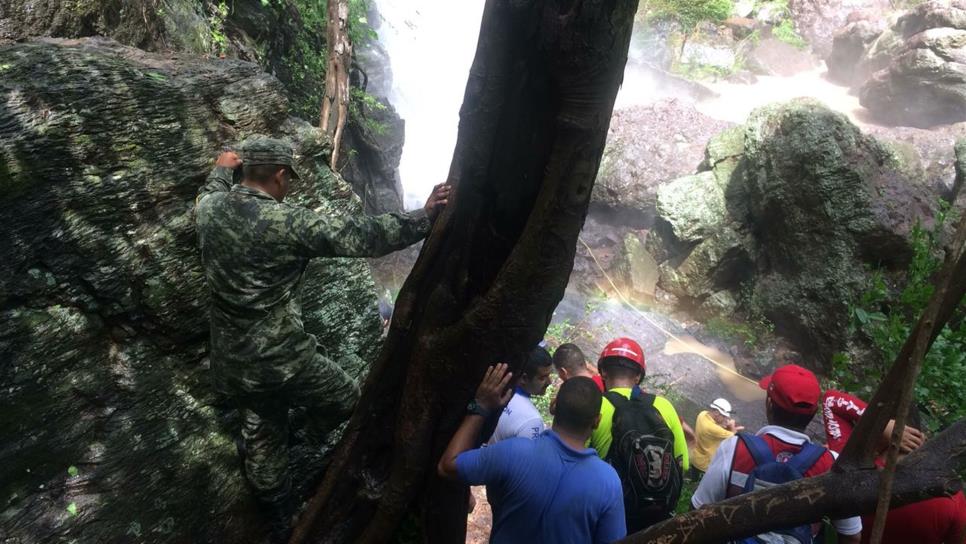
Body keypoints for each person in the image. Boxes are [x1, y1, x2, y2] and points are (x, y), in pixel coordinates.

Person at [194, 139, 450, 541]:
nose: (289, 188)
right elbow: (362, 236)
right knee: (345, 398)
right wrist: (425, 217)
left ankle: (281, 524)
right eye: (288, 180)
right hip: (282, 357)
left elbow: (210, 190)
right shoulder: (286, 223)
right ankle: (300, 438)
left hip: (233, 361)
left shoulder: (209, 211)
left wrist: (221, 169)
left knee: (261, 440)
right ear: (279, 176)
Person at [437, 365, 626, 543]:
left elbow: (447, 466)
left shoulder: (513, 452)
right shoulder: (608, 482)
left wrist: (480, 407)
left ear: (553, 407)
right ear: (597, 421)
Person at [691, 364, 862, 543]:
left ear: (769, 404)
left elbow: (697, 510)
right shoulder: (831, 463)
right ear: (814, 413)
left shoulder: (734, 448)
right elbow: (851, 535)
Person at [822, 389, 965, 544]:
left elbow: (831, 400)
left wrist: (880, 426)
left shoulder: (849, 469)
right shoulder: (950, 494)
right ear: (921, 436)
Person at [589, 337, 689, 532]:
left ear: (603, 371)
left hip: (610, 513)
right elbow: (683, 463)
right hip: (657, 516)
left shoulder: (595, 406)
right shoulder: (664, 406)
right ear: (638, 377)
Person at [490, 345, 553, 442]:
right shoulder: (532, 420)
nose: (550, 382)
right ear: (524, 378)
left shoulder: (492, 391)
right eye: (542, 378)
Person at [691, 398, 743, 477]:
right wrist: (732, 426)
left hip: (695, 458)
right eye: (724, 416)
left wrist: (722, 424)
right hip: (704, 465)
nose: (726, 419)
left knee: (692, 479)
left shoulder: (702, 414)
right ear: (716, 412)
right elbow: (734, 438)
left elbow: (715, 427)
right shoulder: (714, 429)